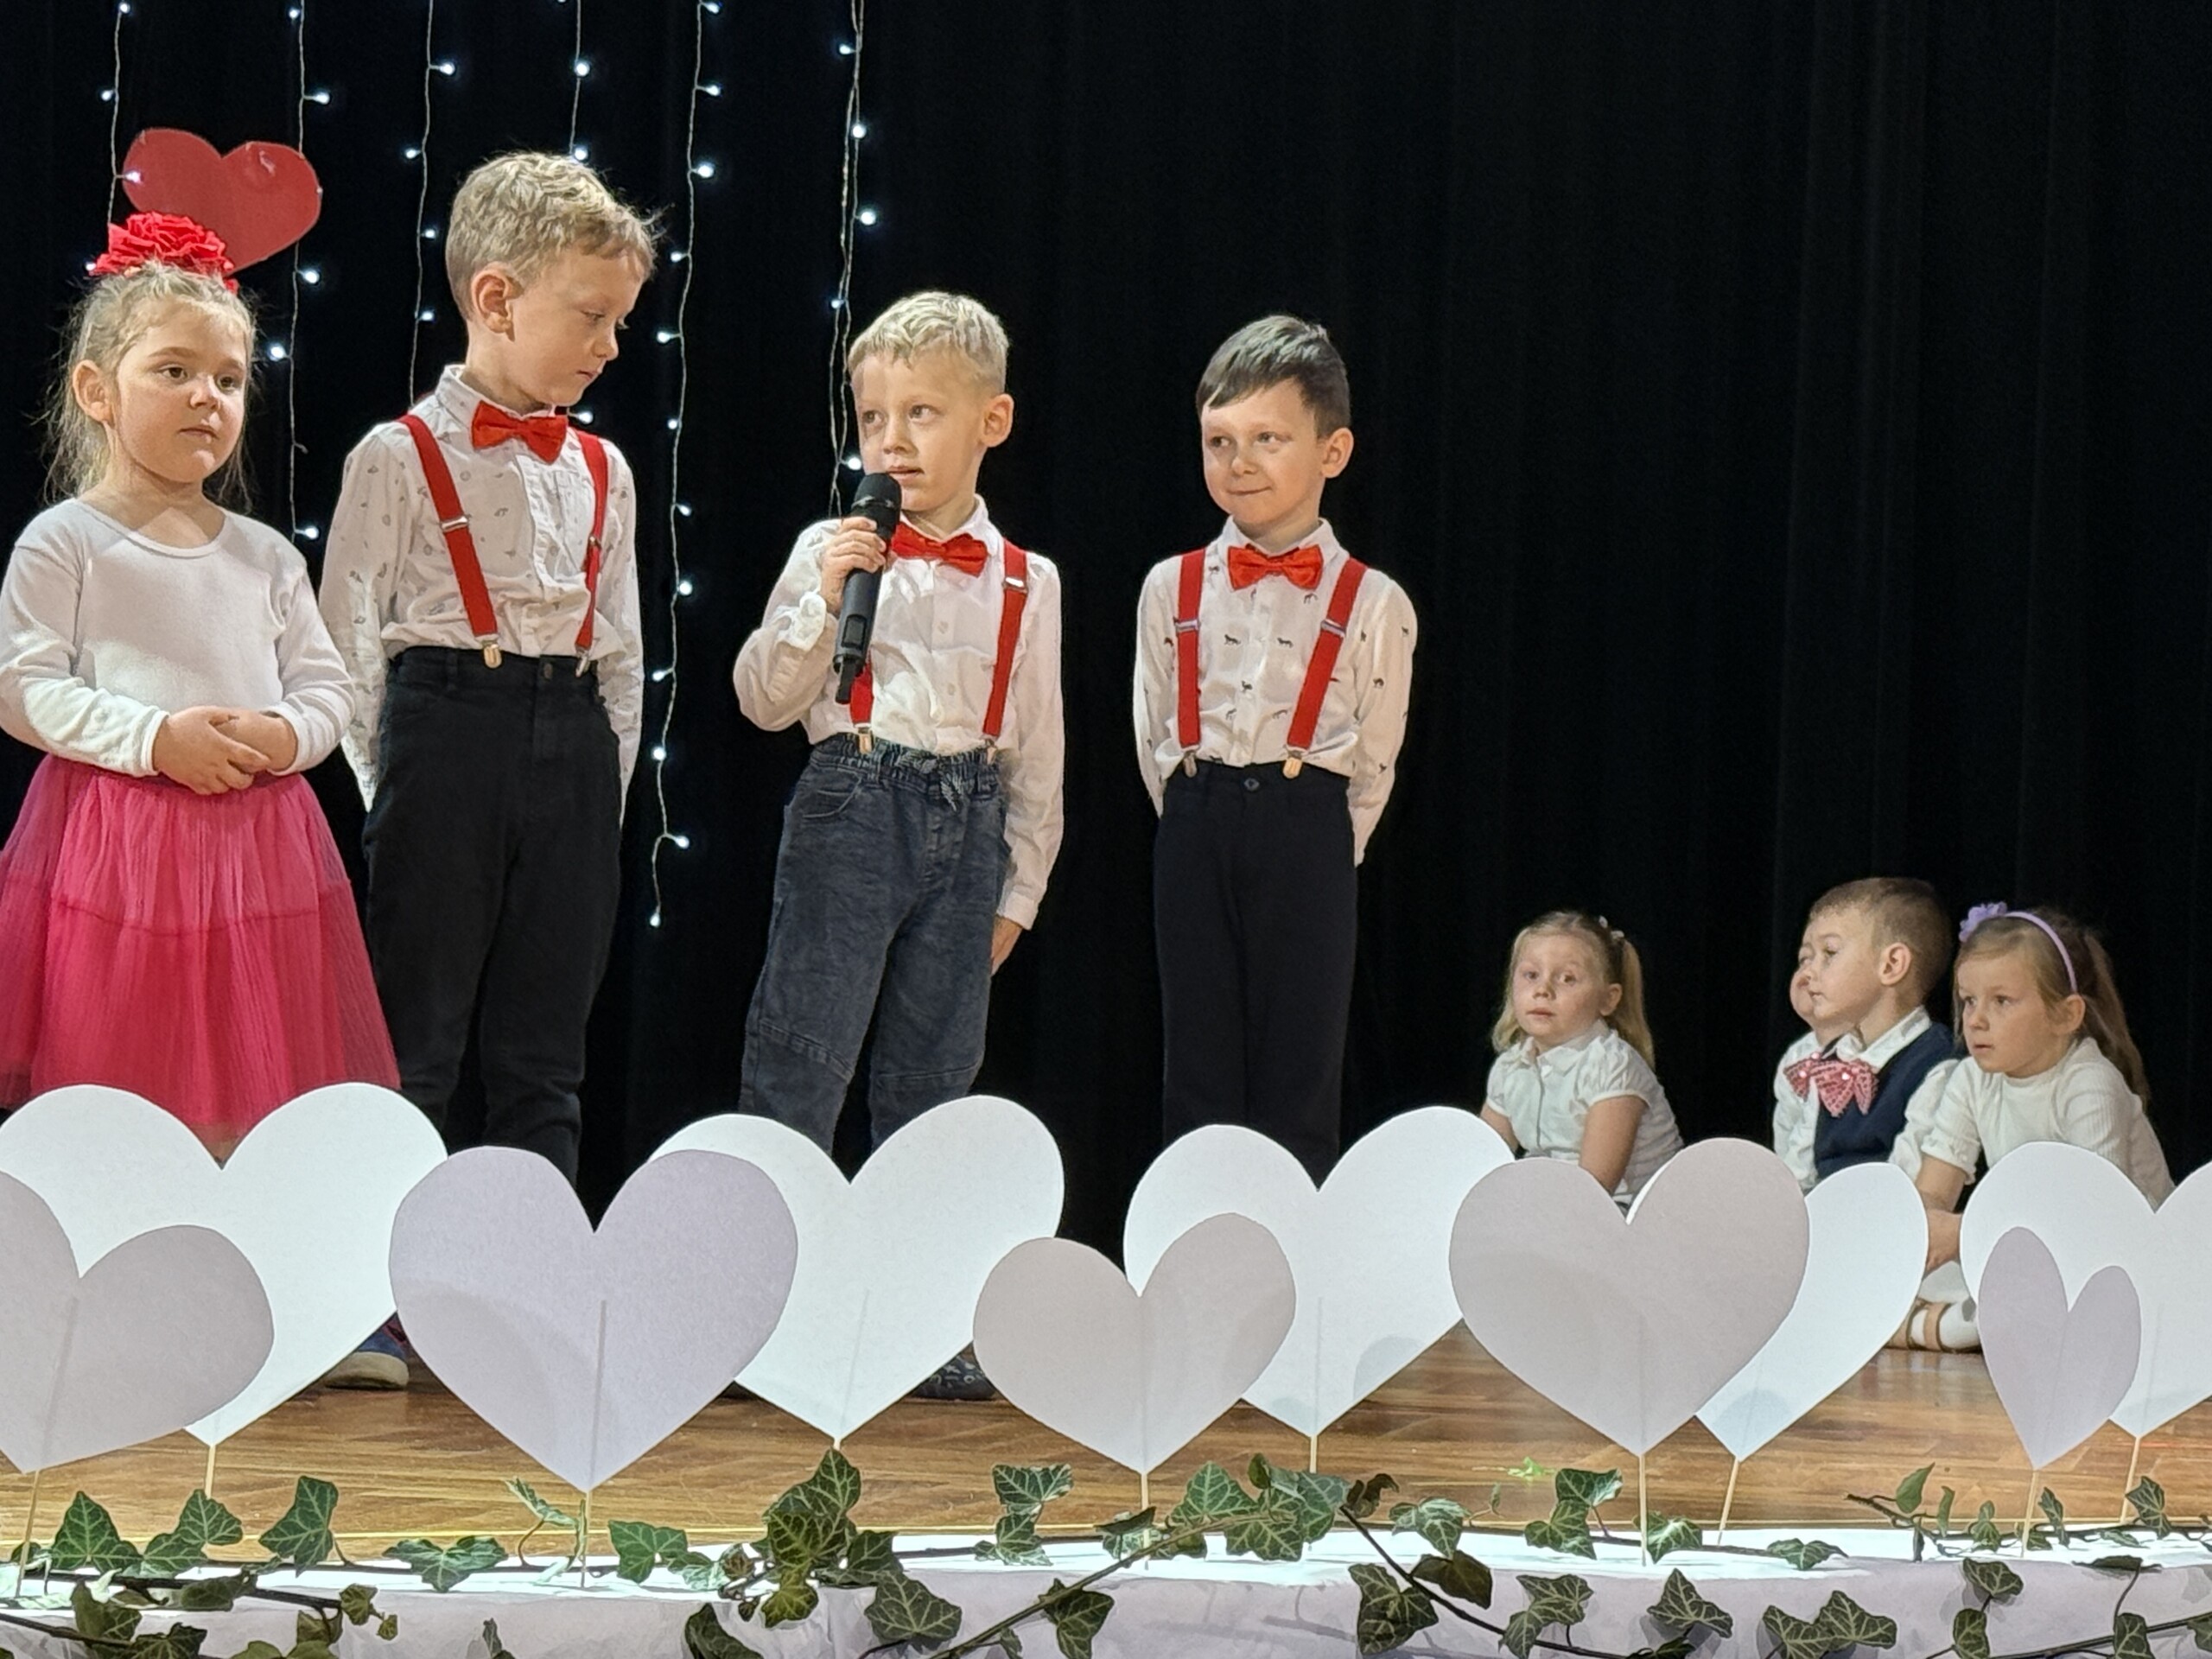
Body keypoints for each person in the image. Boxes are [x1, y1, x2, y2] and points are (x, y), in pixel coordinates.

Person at [0, 211, 394, 1160]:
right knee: (115, 1080)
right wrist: (154, 740)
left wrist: (285, 735)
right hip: (116, 850)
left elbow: (327, 687)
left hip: (256, 851)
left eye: (227, 379)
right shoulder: (67, 540)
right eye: (172, 371)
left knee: (246, 1090)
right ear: (97, 390)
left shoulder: (265, 556)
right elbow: (23, 688)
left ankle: (227, 1235)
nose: (205, 398)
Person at [321, 151, 654, 1185]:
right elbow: (346, 645)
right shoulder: (396, 454)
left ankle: (533, 1261)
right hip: (445, 734)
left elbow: (622, 645)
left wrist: (600, 786)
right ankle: (375, 1261)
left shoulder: (605, 468)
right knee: (414, 1042)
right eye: (591, 316)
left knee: (545, 1056)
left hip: (573, 740)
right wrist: (394, 794)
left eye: (619, 322)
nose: (610, 345)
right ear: (497, 299)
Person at [732, 289, 1063, 1150]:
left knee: (934, 1078)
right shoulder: (829, 550)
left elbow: (1037, 750)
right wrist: (823, 599)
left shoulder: (1029, 579)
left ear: (992, 421)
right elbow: (762, 700)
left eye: (921, 413)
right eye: (873, 417)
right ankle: (780, 1222)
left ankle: (911, 1232)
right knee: (802, 1049)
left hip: (970, 821)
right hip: (853, 804)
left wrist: (1020, 893)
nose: (892, 441)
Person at [1133, 315, 1414, 1179]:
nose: (1240, 461)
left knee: (1300, 1065)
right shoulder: (1170, 585)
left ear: (1333, 451)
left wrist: (1315, 837)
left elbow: (1374, 757)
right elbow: (1153, 729)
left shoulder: (1374, 600)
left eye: (1267, 438)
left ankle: (1294, 1248)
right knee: (1198, 1063)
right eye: (1219, 441)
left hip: (1309, 826)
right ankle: (1197, 1234)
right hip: (1197, 816)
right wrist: (1198, 813)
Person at [1892, 904, 2170, 1351]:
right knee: (1890, 1266)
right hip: (2026, 1250)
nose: (1976, 1019)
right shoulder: (1970, 1079)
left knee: (2038, 1300)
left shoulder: (2089, 1084)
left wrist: (1962, 1233)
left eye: (2001, 1001)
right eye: (1969, 1000)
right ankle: (1941, 1319)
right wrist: (1920, 1233)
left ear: (2066, 1015)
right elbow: (1933, 1191)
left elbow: (2097, 1216)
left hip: (2111, 1261)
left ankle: (1930, 1328)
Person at [1479, 910, 1683, 1205]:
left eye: (1567, 979)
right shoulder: (1510, 1066)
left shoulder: (1611, 1065)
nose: (1543, 990)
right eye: (1531, 975)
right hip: (1556, 1206)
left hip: (1624, 1211)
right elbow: (1484, 1160)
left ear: (1608, 999)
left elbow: (1594, 1189)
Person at [1781, 877, 1956, 1187]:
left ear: (1891, 965)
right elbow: (1797, 1174)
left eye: (1829, 953)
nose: (1808, 972)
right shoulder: (1827, 1062)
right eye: (1805, 958)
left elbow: (1906, 1185)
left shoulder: (1937, 1065)